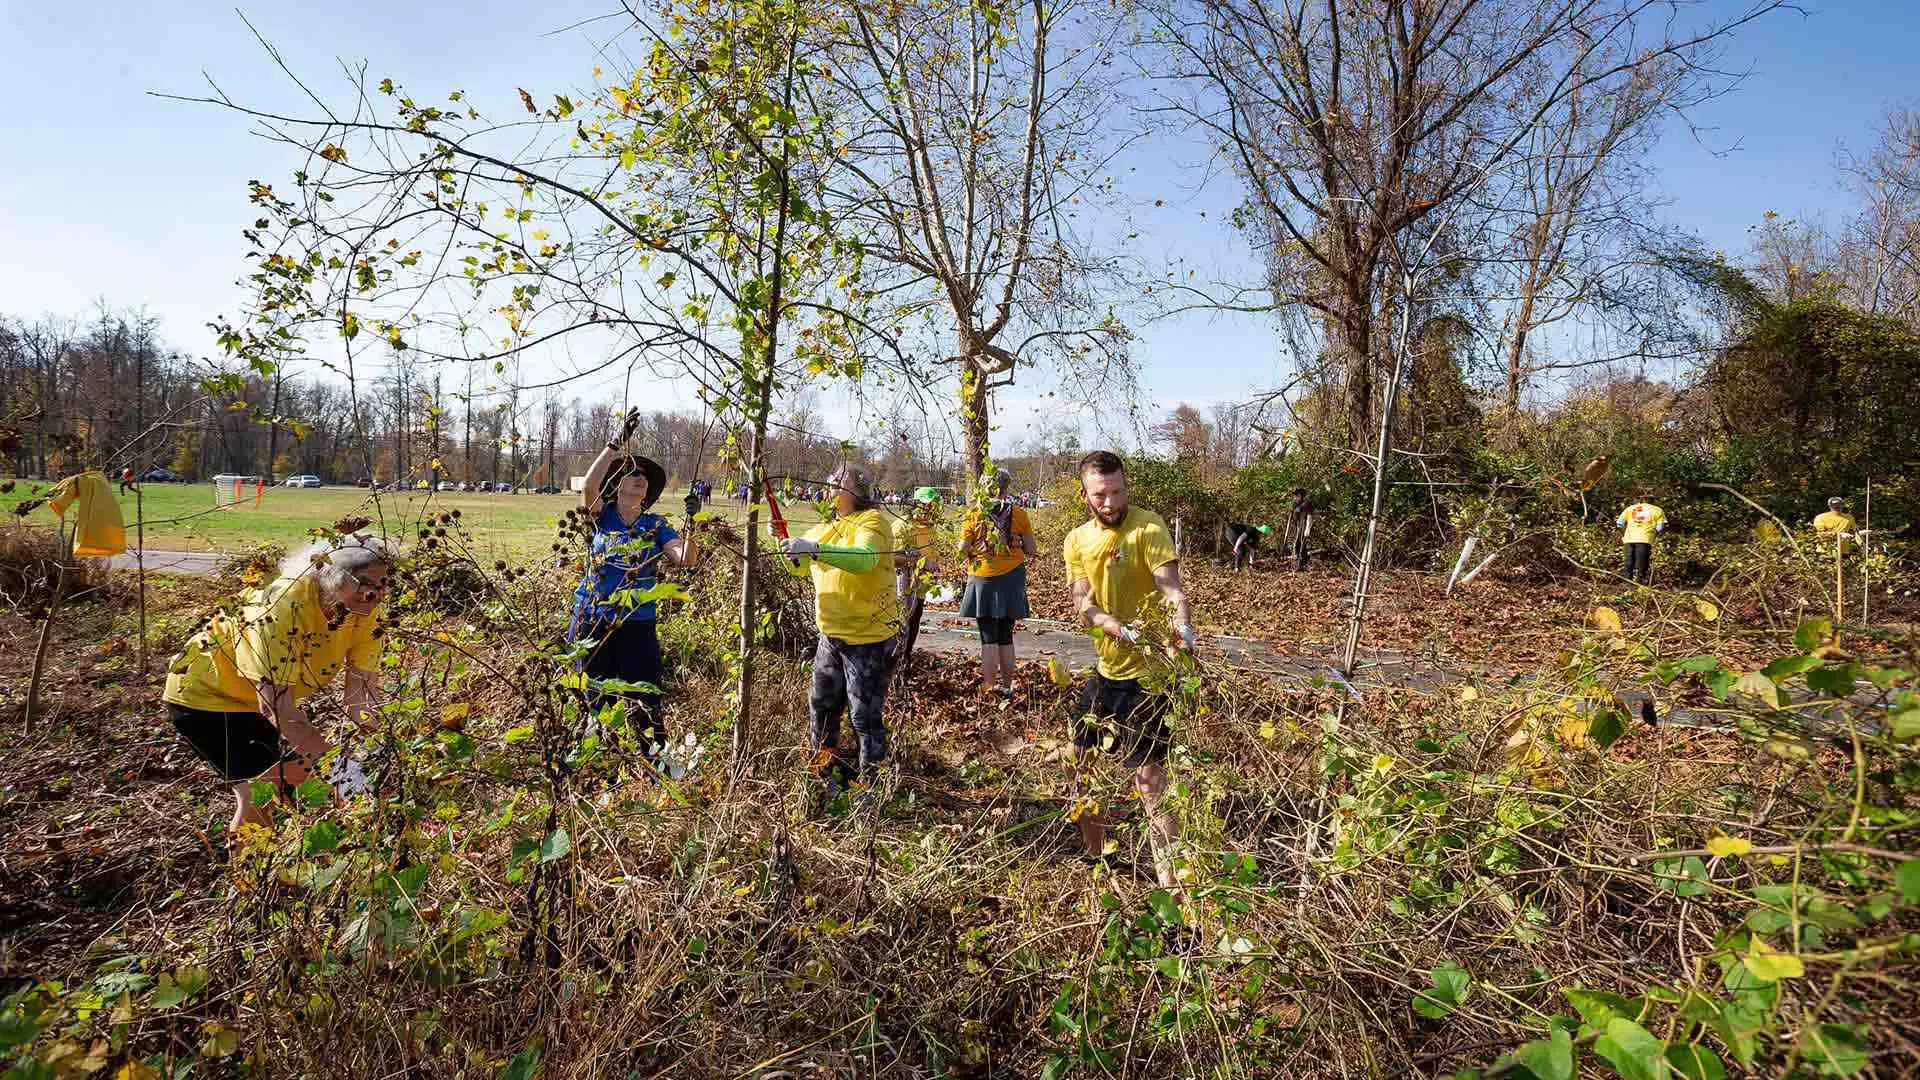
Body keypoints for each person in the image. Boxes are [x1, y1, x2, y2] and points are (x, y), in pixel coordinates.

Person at [162, 536, 395, 838]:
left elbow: (362, 697)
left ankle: (272, 871)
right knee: (261, 793)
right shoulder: (280, 605)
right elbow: (276, 708)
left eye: (384, 584)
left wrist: (382, 754)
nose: (374, 594)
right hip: (207, 696)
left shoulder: (364, 611)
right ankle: (246, 880)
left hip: (260, 702)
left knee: (293, 781)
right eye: (363, 582)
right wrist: (344, 774)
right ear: (330, 576)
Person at [1061, 451, 1194, 889]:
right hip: (1106, 671)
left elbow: (1171, 589)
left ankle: (1172, 888)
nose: (1110, 502)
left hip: (1149, 675)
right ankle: (1098, 861)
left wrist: (1182, 632)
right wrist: (1107, 623)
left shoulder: (1148, 526)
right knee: (1079, 765)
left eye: (1117, 491)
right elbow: (1082, 601)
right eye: (1100, 494)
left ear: (1126, 487)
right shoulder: (1077, 540)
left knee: (1149, 780)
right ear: (1085, 495)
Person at [572, 413, 700, 763]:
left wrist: (692, 521)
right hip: (593, 619)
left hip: (637, 622)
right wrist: (615, 443)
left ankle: (655, 766)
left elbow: (684, 557)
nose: (640, 479)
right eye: (632, 474)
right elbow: (587, 487)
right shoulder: (602, 515)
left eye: (644, 478)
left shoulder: (655, 525)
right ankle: (598, 765)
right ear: (617, 484)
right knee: (594, 697)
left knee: (645, 699)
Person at [781, 464, 900, 789]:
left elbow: (865, 559)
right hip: (830, 637)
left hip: (869, 640)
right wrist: (790, 550)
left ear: (858, 490)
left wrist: (815, 548)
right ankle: (824, 779)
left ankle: (871, 790)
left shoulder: (873, 521)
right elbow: (801, 570)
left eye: (839, 478)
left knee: (864, 717)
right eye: (830, 475)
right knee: (821, 709)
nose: (830, 480)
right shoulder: (824, 527)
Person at [958, 468, 1037, 700]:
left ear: (984, 487)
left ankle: (989, 687)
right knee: (1006, 634)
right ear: (1006, 487)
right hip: (1012, 577)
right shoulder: (1020, 514)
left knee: (987, 635)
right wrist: (1017, 541)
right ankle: (1007, 687)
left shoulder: (974, 513)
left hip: (983, 576)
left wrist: (977, 547)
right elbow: (1031, 550)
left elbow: (962, 549)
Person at [891, 486, 943, 684]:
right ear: (916, 504)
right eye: (926, 505)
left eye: (932, 506)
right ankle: (894, 668)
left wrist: (934, 566)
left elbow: (932, 554)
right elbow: (892, 558)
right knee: (902, 625)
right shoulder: (902, 526)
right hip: (903, 586)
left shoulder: (930, 527)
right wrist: (919, 559)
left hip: (921, 587)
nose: (929, 509)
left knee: (914, 623)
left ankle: (905, 663)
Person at [1615, 498, 1666, 584]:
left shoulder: (1630, 508)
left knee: (1629, 561)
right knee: (1642, 563)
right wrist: (1655, 537)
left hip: (1629, 539)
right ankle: (1640, 583)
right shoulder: (1657, 510)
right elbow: (1660, 528)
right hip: (1645, 539)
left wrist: (1624, 534)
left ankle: (1627, 583)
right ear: (1653, 501)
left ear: (1641, 501)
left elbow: (1619, 524)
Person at [1282, 487, 1313, 570]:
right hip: (1296, 526)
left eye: (1296, 495)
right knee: (1295, 545)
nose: (1294, 497)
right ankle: (1299, 563)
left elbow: (1310, 516)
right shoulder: (1295, 504)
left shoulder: (1307, 503)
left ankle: (1302, 564)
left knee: (1300, 545)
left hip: (1303, 526)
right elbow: (1291, 517)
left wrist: (1307, 529)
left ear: (1300, 495)